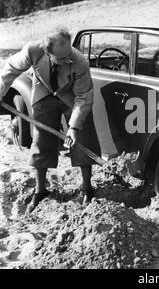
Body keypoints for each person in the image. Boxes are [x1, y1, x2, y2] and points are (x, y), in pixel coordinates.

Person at [0, 26, 101, 212]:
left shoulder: (79, 62)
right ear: (48, 52)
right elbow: (11, 68)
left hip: (72, 97)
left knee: (83, 137)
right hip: (44, 94)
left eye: (69, 54)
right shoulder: (33, 50)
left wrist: (73, 128)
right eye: (61, 58)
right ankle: (40, 191)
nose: (67, 59)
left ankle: (87, 188)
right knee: (41, 140)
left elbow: (84, 98)